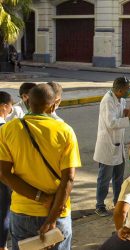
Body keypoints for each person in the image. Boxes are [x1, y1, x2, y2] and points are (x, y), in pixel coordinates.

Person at [0, 84, 81, 250]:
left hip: (23, 212)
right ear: (52, 106)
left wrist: (41, 198)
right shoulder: (65, 131)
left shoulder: (9, 129)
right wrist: (51, 220)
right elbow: (69, 178)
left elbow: (4, 174)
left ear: (28, 102)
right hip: (57, 213)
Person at [93, 77, 130, 217]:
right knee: (104, 178)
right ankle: (100, 205)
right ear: (119, 90)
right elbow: (111, 123)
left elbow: (119, 118)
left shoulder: (121, 100)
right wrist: (127, 119)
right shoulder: (107, 101)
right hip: (108, 145)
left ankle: (118, 203)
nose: (129, 91)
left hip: (118, 144)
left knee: (118, 177)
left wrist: (125, 114)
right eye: (127, 89)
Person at [0, 92, 13, 250]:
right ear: (4, 106)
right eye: (10, 105)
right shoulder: (5, 129)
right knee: (3, 212)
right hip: (2, 177)